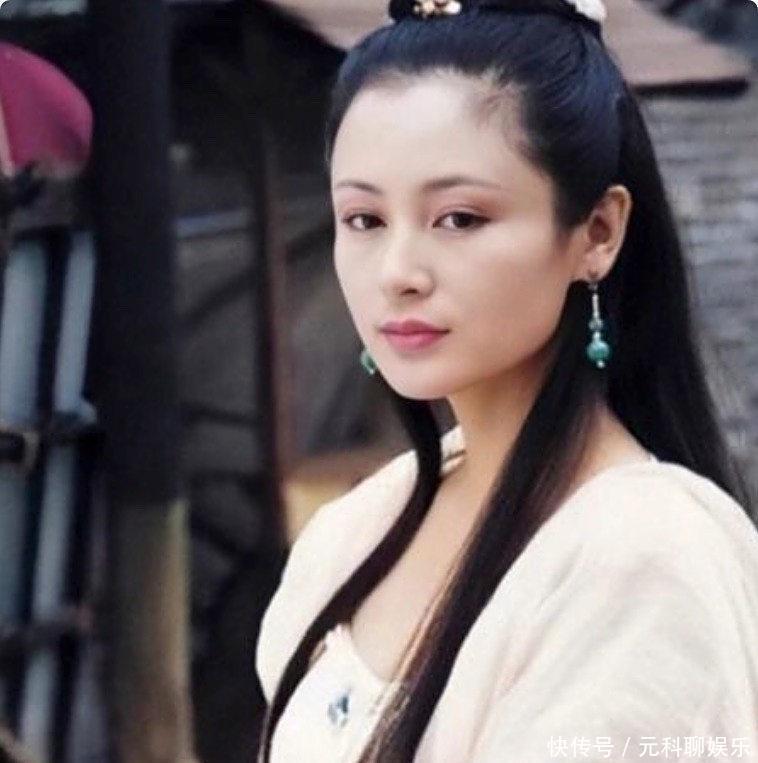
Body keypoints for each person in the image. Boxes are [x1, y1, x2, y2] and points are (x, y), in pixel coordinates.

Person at [254, 0, 758, 760]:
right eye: (364, 220)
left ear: (598, 232)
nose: (397, 273)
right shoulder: (354, 531)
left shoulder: (644, 556)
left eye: (458, 218)